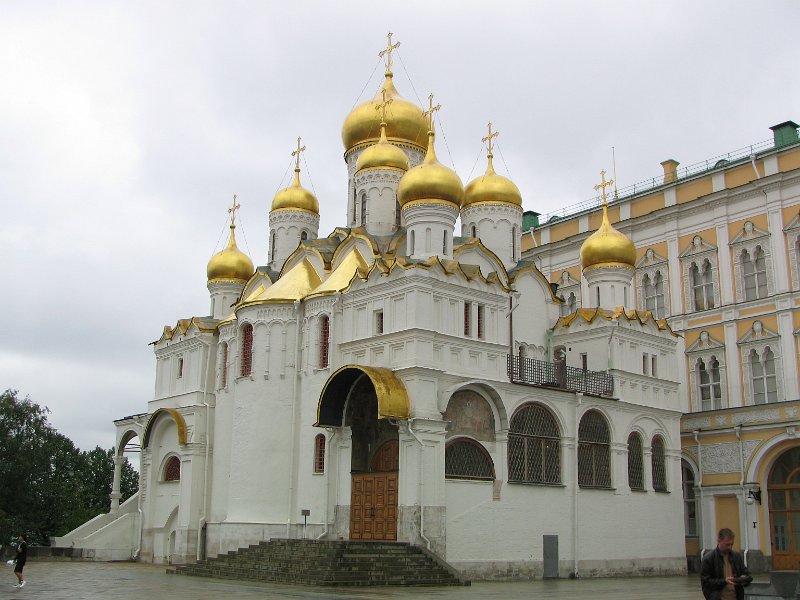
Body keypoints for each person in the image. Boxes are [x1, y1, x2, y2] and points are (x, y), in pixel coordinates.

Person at [701, 528, 752, 600]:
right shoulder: (708, 559)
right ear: (719, 541)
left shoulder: (736, 556)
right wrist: (724, 581)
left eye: (732, 544)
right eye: (727, 544)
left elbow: (747, 574)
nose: (730, 547)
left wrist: (743, 579)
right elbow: (706, 582)